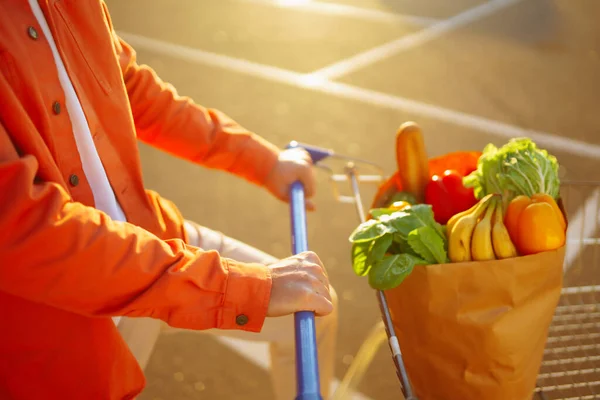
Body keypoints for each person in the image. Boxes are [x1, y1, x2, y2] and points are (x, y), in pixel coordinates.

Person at [0, 1, 338, 399]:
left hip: (152, 243)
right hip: (57, 328)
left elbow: (130, 86)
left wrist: (263, 162)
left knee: (316, 308)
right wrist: (235, 287)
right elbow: (21, 225)